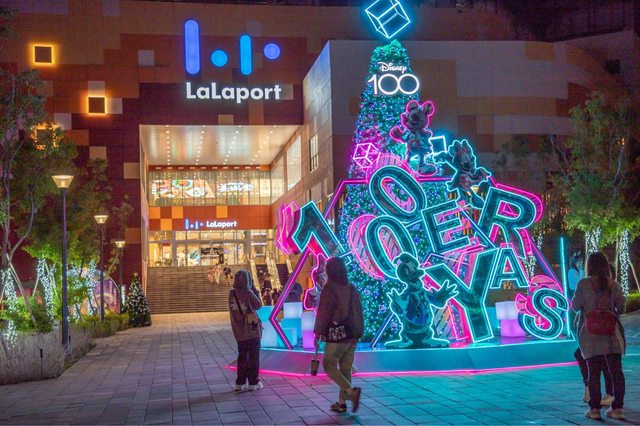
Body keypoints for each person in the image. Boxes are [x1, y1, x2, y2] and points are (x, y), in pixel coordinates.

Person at [572, 251, 626, 420]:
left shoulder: (583, 284)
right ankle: (617, 409)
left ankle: (594, 409)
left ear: (589, 266)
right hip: (611, 335)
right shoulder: (614, 284)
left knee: (593, 372)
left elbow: (575, 306)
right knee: (617, 373)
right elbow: (621, 308)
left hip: (590, 336)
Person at [314, 257, 364, 414]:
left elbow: (324, 313)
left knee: (329, 365)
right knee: (345, 368)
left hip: (338, 335)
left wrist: (318, 332)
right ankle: (342, 403)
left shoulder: (330, 288)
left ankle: (351, 392)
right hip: (353, 335)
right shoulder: (351, 287)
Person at [228, 270, 264, 392]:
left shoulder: (231, 293)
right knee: (253, 356)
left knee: (242, 356)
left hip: (238, 330)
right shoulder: (248, 292)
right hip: (251, 330)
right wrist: (253, 288)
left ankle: (240, 382)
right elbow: (258, 305)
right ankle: (253, 382)